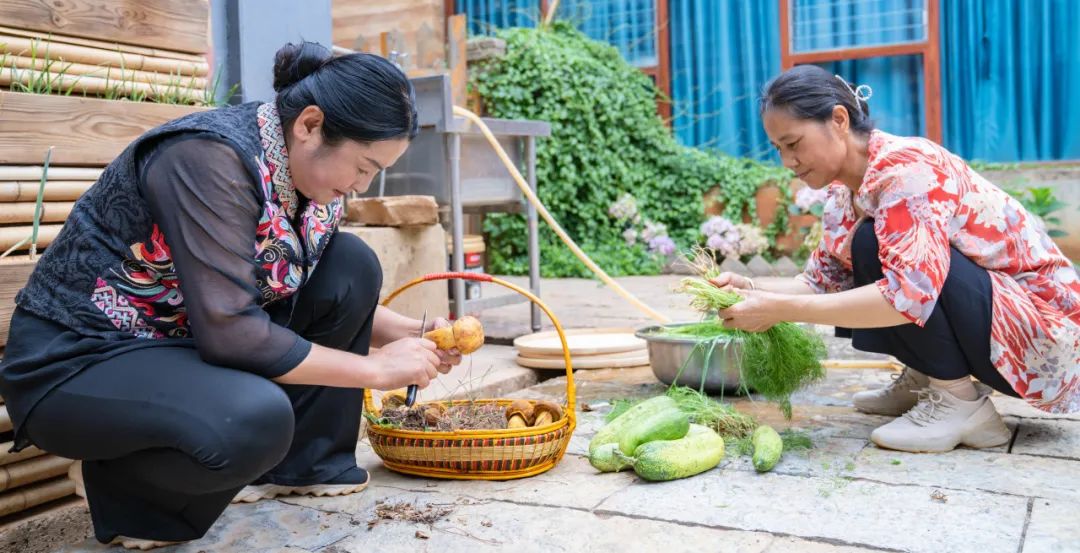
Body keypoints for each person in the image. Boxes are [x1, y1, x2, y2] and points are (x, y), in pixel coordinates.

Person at [0, 41, 460, 549]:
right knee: (251, 420)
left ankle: (300, 466)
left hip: (180, 344)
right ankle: (125, 489)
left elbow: (289, 282)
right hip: (80, 361)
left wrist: (411, 333)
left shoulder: (305, 178)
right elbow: (233, 332)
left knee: (349, 264)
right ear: (310, 125)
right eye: (364, 167)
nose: (362, 186)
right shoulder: (205, 157)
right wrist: (376, 370)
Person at [712, 65, 1080, 453]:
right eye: (779, 149)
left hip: (1047, 343)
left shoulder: (908, 168)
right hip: (1005, 330)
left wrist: (778, 310)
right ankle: (927, 375)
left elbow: (909, 295)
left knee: (874, 244)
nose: (788, 161)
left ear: (839, 120)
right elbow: (822, 282)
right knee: (868, 245)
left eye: (794, 143)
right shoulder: (844, 193)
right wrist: (751, 288)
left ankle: (960, 403)